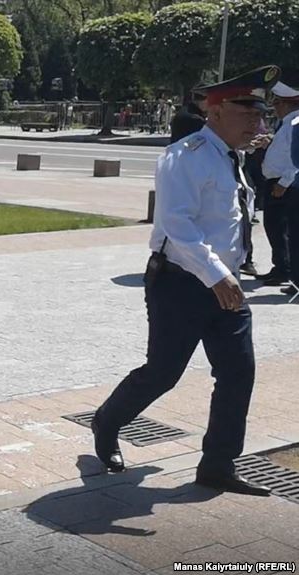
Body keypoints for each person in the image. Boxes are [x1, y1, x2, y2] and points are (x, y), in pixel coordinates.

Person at [91, 66, 280, 498]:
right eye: (247, 112)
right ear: (214, 111)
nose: (257, 121)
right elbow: (178, 224)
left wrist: (230, 274)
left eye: (261, 113)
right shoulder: (185, 155)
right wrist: (217, 275)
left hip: (225, 284)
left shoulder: (234, 157)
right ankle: (108, 420)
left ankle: (218, 464)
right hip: (181, 284)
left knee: (238, 373)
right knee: (163, 372)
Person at [256, 80, 299, 287]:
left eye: (277, 104)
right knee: (275, 226)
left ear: (287, 104)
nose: (275, 108)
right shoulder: (287, 124)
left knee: (281, 227)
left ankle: (285, 269)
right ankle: (282, 267)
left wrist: (284, 182)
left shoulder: (294, 124)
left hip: (285, 184)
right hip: (278, 181)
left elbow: (296, 159)